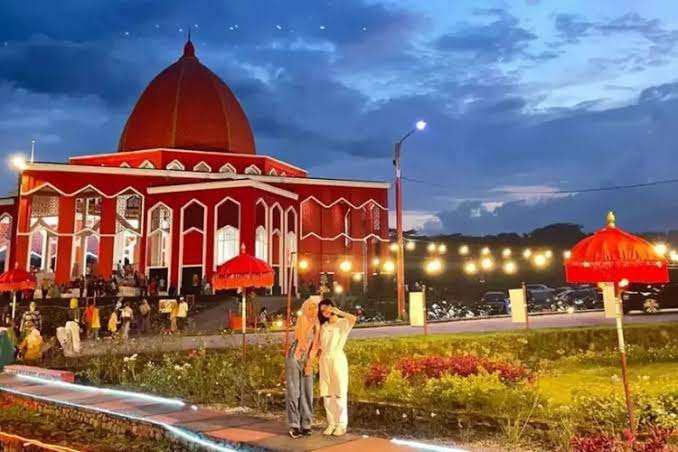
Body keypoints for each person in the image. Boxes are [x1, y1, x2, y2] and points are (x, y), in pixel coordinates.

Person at [317, 299, 356, 437]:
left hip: (337, 358)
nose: (325, 312)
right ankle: (331, 423)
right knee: (327, 393)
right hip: (324, 360)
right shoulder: (323, 326)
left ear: (332, 307)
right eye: (322, 310)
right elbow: (319, 345)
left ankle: (341, 424)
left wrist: (339, 312)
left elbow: (353, 319)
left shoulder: (342, 323)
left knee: (339, 392)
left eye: (327, 308)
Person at [285, 298, 320, 439]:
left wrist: (310, 363)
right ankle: (294, 424)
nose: (313, 310)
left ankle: (306, 424)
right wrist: (310, 323)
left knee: (307, 391)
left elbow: (316, 345)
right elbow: (302, 338)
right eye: (310, 308)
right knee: (294, 392)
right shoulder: (302, 319)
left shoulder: (318, 324)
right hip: (295, 356)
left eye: (315, 308)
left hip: (308, 358)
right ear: (305, 309)